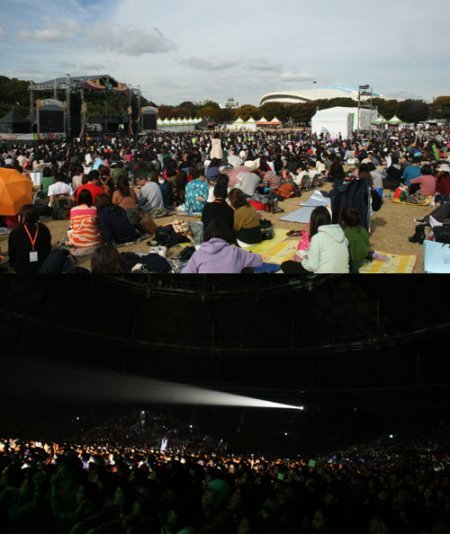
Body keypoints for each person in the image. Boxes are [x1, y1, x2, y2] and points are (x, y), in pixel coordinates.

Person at [281, 206, 349, 274]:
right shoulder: (343, 236)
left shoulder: (317, 238)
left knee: (286, 265)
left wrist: (303, 260)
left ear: (313, 223)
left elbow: (312, 266)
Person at [181, 219, 263, 274]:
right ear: (226, 234)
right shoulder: (236, 252)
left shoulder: (197, 255)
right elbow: (259, 260)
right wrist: (247, 255)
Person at [7, 204, 52, 274]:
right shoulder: (44, 229)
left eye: (19, 214)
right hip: (43, 264)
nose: (18, 217)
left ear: (24, 217)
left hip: (21, 268)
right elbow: (48, 248)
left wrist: (12, 264)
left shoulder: (15, 233)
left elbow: (12, 254)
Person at [66, 189, 103, 254]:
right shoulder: (95, 209)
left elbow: (71, 227)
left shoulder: (73, 210)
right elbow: (99, 225)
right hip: (95, 241)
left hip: (77, 243)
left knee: (70, 230)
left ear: (79, 199)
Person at [340, 206, 371, 273]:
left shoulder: (345, 234)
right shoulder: (363, 230)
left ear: (343, 221)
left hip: (354, 266)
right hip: (364, 259)